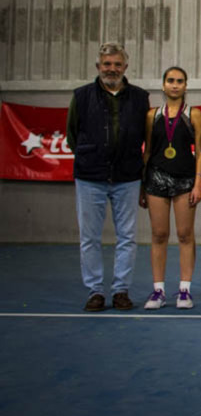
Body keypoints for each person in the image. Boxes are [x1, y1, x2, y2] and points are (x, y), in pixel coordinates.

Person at [67, 42, 150, 311]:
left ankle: (120, 290)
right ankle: (95, 291)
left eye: (117, 64)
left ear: (125, 67)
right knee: (89, 237)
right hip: (90, 177)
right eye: (107, 64)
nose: (111, 69)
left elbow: (144, 136)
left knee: (127, 236)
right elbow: (72, 136)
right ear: (98, 67)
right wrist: (89, 156)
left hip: (127, 176)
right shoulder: (81, 97)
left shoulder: (140, 98)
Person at [139, 67, 201, 309]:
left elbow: (199, 153)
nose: (175, 85)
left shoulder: (194, 115)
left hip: (185, 180)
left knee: (185, 235)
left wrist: (198, 183)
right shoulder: (151, 116)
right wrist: (142, 185)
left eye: (180, 81)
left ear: (186, 85)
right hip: (156, 178)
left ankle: (184, 290)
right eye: (170, 81)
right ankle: (158, 290)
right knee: (158, 234)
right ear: (163, 85)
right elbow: (147, 151)